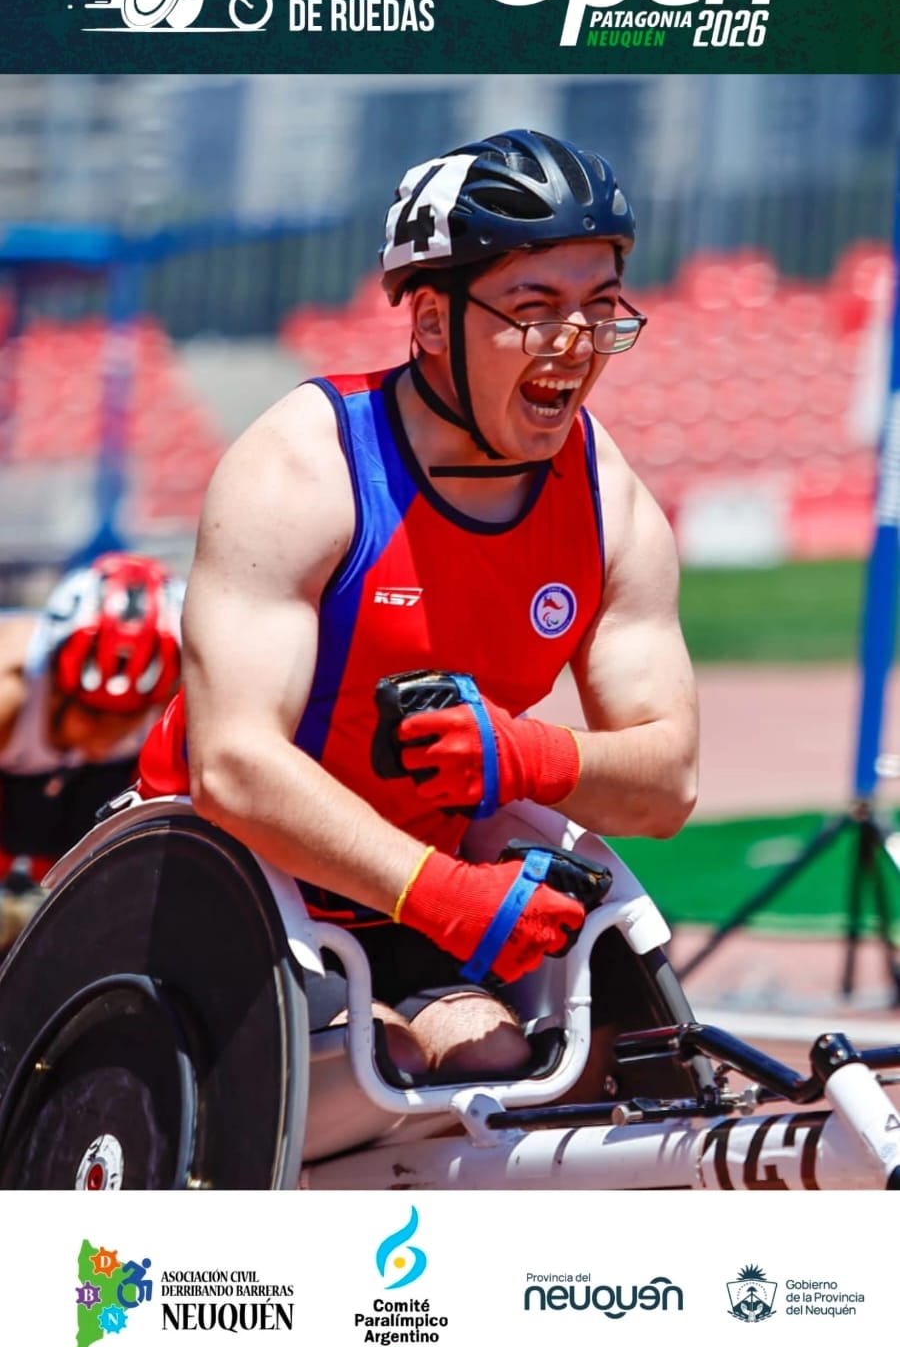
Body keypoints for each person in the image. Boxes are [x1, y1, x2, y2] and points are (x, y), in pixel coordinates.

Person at [138, 128, 699, 1083]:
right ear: (432, 322)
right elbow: (232, 767)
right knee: (378, 1061)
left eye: (601, 307)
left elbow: (667, 780)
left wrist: (525, 754)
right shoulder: (303, 465)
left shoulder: (610, 501)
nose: (574, 343)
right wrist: (443, 895)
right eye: (535, 308)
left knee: (514, 1062)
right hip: (211, 880)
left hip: (403, 898)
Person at [0, 552, 185, 956]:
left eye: (127, 718)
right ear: (55, 682)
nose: (106, 736)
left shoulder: (178, 700)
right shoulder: (9, 691)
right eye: (93, 713)